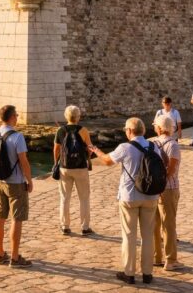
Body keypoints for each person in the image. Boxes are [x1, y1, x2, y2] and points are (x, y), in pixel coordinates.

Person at [91, 118, 160, 285]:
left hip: (130, 196)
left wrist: (97, 151)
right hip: (151, 196)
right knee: (147, 236)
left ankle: (129, 273)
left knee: (129, 236)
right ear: (143, 131)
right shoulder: (154, 146)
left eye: (125, 130)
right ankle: (147, 273)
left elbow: (107, 161)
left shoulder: (125, 147)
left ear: (129, 131)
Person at [0, 105, 33, 268]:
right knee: (17, 219)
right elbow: (24, 162)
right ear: (12, 117)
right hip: (15, 182)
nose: (18, 117)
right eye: (17, 115)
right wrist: (29, 180)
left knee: (0, 217)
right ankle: (14, 257)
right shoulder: (17, 137)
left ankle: (0, 254)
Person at [54, 105, 95, 235]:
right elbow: (89, 148)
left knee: (65, 197)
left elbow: (56, 150)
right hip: (81, 167)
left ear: (66, 116)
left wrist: (56, 163)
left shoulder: (61, 130)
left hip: (65, 167)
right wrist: (88, 157)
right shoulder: (83, 130)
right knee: (84, 198)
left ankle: (65, 226)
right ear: (78, 117)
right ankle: (85, 227)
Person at [151, 115, 183, 272]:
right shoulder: (173, 146)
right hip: (168, 188)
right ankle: (170, 260)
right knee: (169, 225)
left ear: (158, 128)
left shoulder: (152, 144)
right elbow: (171, 171)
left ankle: (156, 256)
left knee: (155, 224)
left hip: (153, 189)